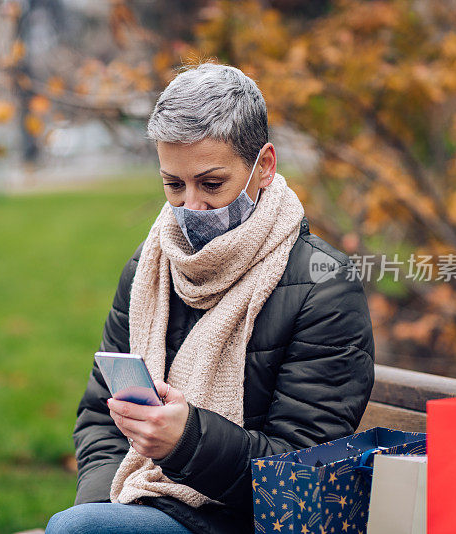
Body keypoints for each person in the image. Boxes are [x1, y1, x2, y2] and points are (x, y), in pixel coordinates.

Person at [46, 63, 375, 534]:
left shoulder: (324, 287)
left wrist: (186, 441)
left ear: (263, 166)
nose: (190, 208)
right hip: (144, 501)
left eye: (212, 184)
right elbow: (102, 417)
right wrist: (108, 507)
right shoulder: (150, 267)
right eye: (174, 185)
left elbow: (303, 475)